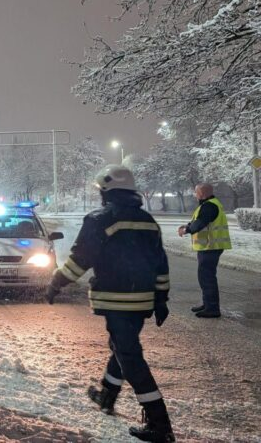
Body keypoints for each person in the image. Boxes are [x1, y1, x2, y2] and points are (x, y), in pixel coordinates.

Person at [46, 165, 174, 443]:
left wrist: (57, 282)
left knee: (129, 355)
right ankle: (107, 394)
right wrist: (161, 298)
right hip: (142, 301)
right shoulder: (148, 220)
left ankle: (159, 421)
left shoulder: (99, 219)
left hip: (116, 300)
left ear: (106, 191)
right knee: (122, 346)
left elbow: (81, 259)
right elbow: (160, 263)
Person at [177, 183, 229, 318]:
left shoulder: (209, 206)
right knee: (205, 277)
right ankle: (207, 304)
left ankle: (212, 308)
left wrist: (187, 230)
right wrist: (188, 225)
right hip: (210, 247)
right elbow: (199, 221)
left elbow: (200, 223)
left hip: (210, 247)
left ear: (202, 193)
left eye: (196, 192)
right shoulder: (210, 204)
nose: (195, 194)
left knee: (207, 278)